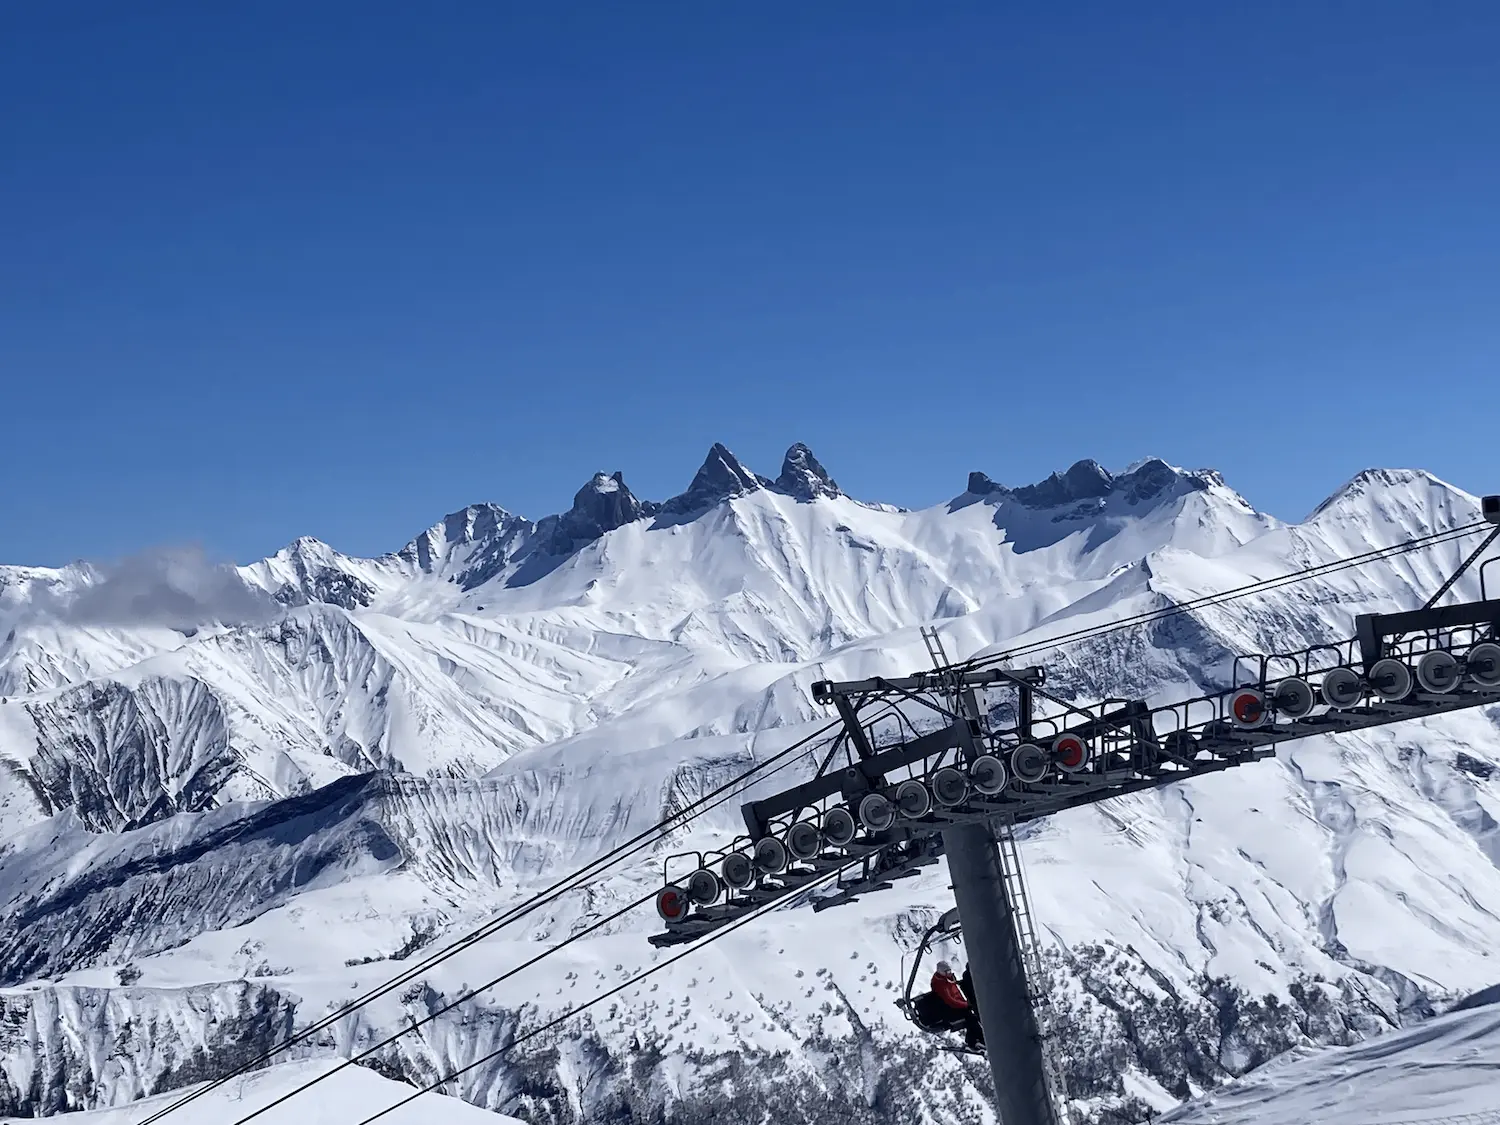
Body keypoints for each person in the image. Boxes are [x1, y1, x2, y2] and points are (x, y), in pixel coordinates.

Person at [959, 964, 984, 1050]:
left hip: (976, 1004)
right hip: (976, 1004)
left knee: (974, 1021)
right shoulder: (972, 977)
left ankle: (976, 1042)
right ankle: (976, 1042)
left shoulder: (969, 976)